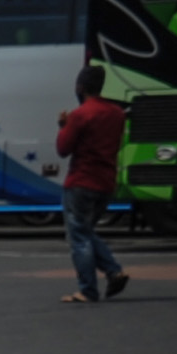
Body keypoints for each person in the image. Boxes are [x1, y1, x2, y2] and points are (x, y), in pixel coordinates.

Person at [56, 63, 132, 304]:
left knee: (78, 236)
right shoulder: (117, 113)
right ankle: (113, 271)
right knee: (85, 231)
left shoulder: (80, 115)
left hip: (81, 180)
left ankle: (87, 290)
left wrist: (63, 127)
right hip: (106, 182)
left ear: (80, 87)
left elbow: (63, 149)